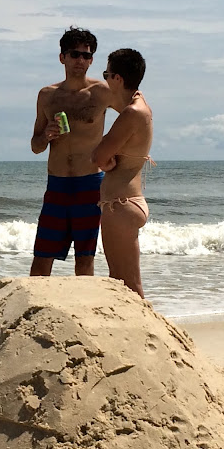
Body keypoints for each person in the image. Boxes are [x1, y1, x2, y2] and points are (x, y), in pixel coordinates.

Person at [30, 26, 112, 276]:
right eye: (75, 54)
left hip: (90, 183)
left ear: (92, 60)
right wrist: (46, 135)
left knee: (84, 259)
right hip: (57, 184)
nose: (80, 60)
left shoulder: (102, 92)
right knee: (42, 257)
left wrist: (119, 152)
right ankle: (36, 301)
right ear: (62, 57)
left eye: (86, 56)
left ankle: (84, 301)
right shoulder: (47, 96)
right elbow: (35, 146)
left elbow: (134, 114)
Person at [91, 49, 154, 298]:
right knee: (125, 282)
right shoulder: (139, 104)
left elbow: (98, 156)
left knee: (126, 284)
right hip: (126, 202)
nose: (105, 79)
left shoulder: (132, 112)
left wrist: (105, 160)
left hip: (121, 205)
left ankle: (148, 324)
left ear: (117, 78)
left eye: (106, 74)